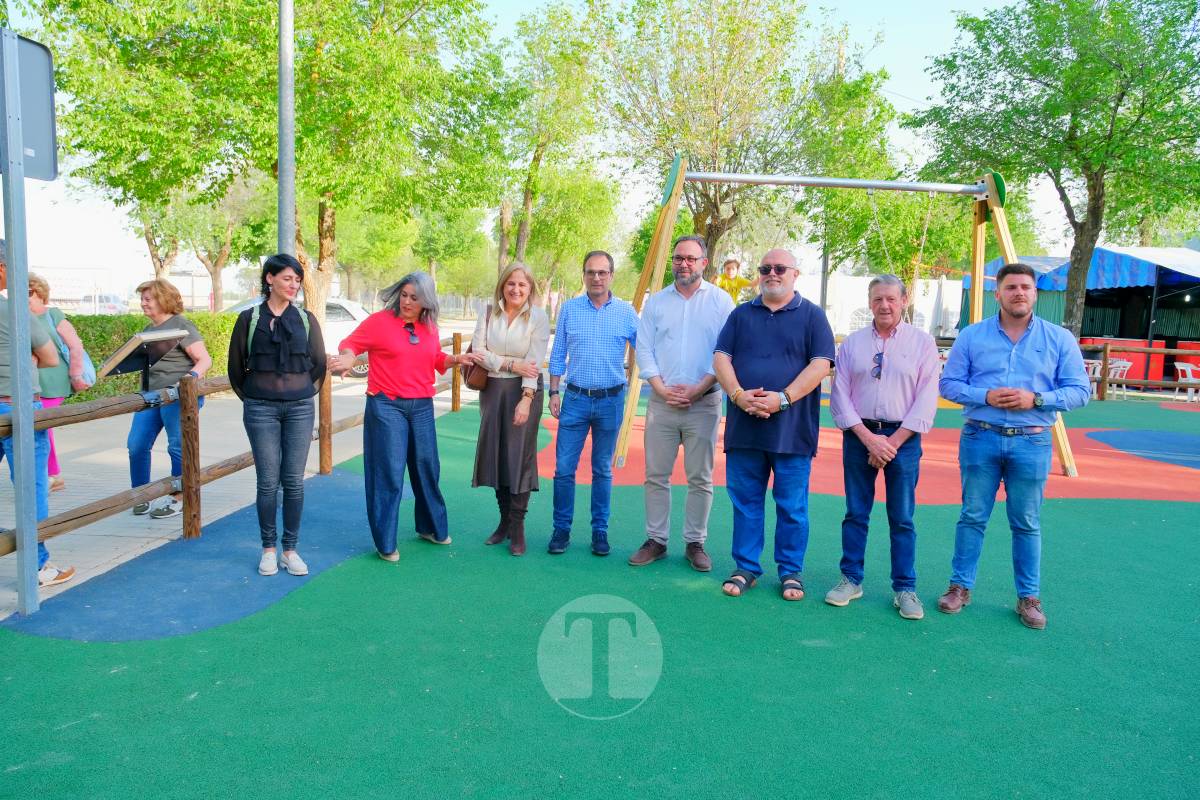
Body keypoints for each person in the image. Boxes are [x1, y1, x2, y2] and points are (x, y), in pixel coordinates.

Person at [937, 262, 1089, 630]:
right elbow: (948, 384)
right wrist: (985, 394)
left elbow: (1080, 391)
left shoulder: (1058, 339)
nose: (1019, 293)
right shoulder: (972, 336)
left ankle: (1029, 597)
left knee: (1026, 522)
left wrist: (1035, 399)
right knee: (972, 516)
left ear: (1035, 293)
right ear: (998, 294)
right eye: (1011, 287)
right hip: (980, 436)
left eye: (1025, 287)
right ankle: (960, 587)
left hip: (1032, 441)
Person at [713, 248, 834, 600]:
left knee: (792, 506)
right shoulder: (740, 315)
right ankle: (746, 567)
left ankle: (790, 571)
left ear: (795, 274)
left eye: (780, 268)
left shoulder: (812, 316)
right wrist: (738, 395)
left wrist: (782, 399)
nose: (772, 273)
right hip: (744, 427)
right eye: (765, 268)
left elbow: (821, 364)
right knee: (745, 501)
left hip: (792, 431)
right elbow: (721, 358)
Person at [330, 272, 467, 561]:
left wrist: (452, 360)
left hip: (421, 406)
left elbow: (431, 358)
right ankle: (385, 542)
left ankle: (430, 528)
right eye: (403, 295)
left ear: (426, 301)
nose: (406, 301)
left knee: (427, 468)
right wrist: (346, 357)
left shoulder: (428, 326)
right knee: (389, 473)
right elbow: (352, 344)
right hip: (387, 405)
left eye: (414, 298)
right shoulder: (379, 322)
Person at [827, 274, 939, 620]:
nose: (884, 306)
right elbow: (840, 394)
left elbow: (926, 398)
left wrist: (892, 442)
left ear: (904, 301)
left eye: (891, 299)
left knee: (902, 517)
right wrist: (867, 437)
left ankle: (905, 587)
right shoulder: (853, 344)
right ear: (870, 302)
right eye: (877, 299)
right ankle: (851, 579)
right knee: (856, 512)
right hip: (860, 435)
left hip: (902, 439)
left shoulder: (922, 343)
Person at [630, 235, 734, 572]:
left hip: (703, 404)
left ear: (704, 263)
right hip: (661, 404)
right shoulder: (657, 303)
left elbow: (725, 352)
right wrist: (659, 388)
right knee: (655, 475)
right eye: (678, 258)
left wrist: (699, 387)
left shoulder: (721, 302)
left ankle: (695, 542)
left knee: (700, 478)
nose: (683, 264)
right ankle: (656, 540)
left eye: (690, 258)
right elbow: (643, 347)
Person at [227, 254, 327, 577]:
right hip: (260, 409)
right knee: (268, 482)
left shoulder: (306, 319)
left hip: (300, 408)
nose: (294, 285)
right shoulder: (249, 318)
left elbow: (319, 364)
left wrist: (300, 393)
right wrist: (257, 396)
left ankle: (290, 549)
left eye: (297, 280)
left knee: (294, 482)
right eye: (287, 278)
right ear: (269, 279)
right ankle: (268, 549)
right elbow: (235, 368)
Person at [547, 250, 639, 556]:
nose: (596, 277)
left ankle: (600, 531)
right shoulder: (570, 310)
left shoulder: (627, 313)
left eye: (602, 272)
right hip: (574, 399)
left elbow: (646, 351)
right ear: (584, 275)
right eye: (590, 272)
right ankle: (561, 529)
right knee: (563, 469)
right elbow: (558, 353)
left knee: (602, 469)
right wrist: (554, 391)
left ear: (612, 275)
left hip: (611, 401)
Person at [0, 240, 75, 586]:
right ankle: (38, 567)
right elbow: (49, 357)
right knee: (31, 488)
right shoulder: (15, 312)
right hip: (16, 406)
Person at [462, 262, 550, 557]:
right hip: (493, 391)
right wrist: (510, 362)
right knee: (497, 456)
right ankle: (503, 523)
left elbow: (534, 360)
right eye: (511, 283)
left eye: (522, 285)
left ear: (530, 289)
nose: (516, 289)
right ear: (503, 285)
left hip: (523, 391)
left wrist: (526, 398)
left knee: (519, 459)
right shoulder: (488, 312)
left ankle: (518, 527)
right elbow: (479, 352)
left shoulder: (538, 317)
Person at [128, 279, 213, 519]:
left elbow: (204, 359)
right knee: (136, 445)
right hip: (150, 396)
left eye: (148, 299)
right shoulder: (147, 330)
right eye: (142, 298)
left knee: (177, 446)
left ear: (164, 299)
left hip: (177, 396)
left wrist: (188, 380)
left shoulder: (180, 324)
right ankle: (141, 494)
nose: (143, 303)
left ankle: (180, 497)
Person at [27, 273, 93, 492]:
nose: (26, 297)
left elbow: (75, 345)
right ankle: (52, 475)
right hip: (33, 381)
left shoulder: (53, 314)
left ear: (40, 293)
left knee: (41, 426)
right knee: (41, 427)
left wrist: (76, 376)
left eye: (30, 293)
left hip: (54, 380)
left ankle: (51, 475)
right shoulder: (20, 316)